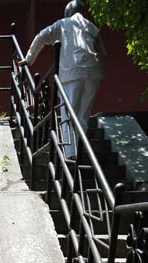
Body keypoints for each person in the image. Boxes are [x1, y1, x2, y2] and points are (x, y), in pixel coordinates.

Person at [19, 0, 105, 158]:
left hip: (71, 73)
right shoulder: (92, 27)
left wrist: (29, 59)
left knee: (67, 113)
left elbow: (41, 36)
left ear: (67, 12)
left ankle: (70, 154)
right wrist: (98, 72)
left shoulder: (62, 24)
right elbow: (102, 53)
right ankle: (79, 150)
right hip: (93, 74)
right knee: (83, 116)